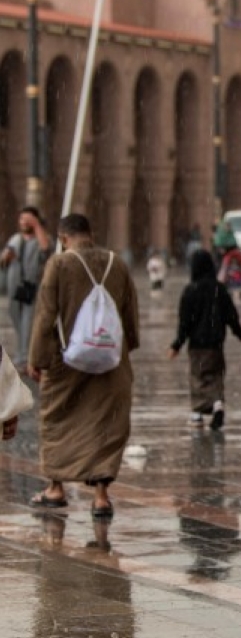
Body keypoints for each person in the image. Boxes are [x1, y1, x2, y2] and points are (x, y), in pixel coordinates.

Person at [26, 213, 140, 519]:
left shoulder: (59, 265)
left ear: (63, 239)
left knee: (58, 419)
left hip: (67, 361)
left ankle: (56, 488)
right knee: (107, 424)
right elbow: (130, 312)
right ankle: (101, 497)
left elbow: (46, 316)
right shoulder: (117, 263)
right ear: (91, 234)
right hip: (111, 361)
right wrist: (126, 346)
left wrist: (37, 359)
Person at [168, 250, 241, 430]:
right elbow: (231, 315)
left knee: (198, 377)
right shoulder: (220, 289)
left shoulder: (190, 291)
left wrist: (177, 344)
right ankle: (218, 403)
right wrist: (240, 333)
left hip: (197, 344)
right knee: (216, 375)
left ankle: (197, 415)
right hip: (216, 343)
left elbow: (184, 322)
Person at [2, 206, 52, 367]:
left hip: (32, 287)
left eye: (28, 219)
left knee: (28, 322)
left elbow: (46, 250)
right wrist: (6, 257)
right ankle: (23, 352)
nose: (24, 222)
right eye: (22, 219)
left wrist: (37, 226)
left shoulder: (41, 238)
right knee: (17, 320)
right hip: (15, 288)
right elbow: (3, 259)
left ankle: (25, 357)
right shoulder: (15, 239)